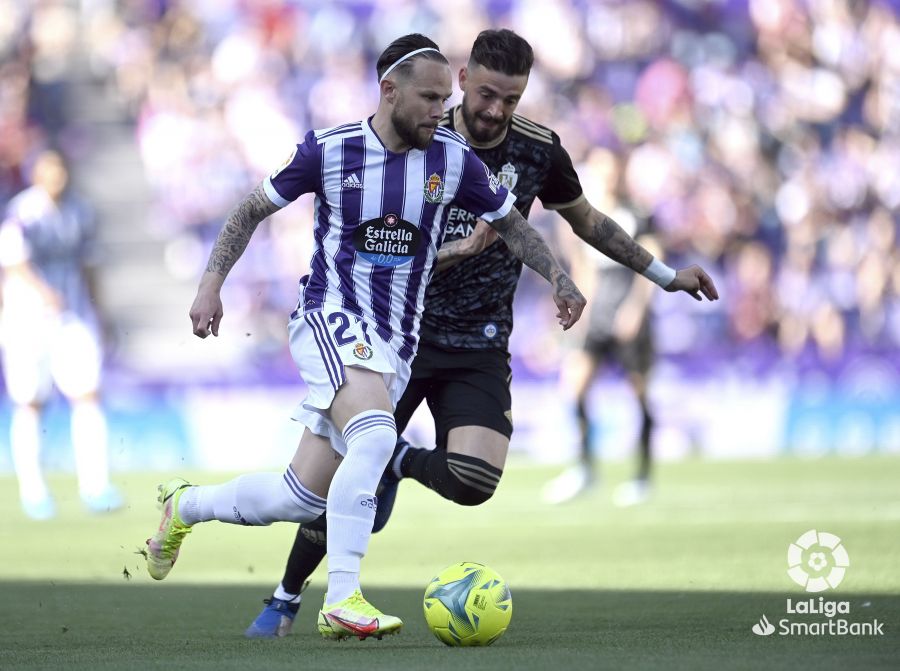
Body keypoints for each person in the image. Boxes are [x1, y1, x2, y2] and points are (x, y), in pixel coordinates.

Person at [244, 28, 719, 639]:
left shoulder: (538, 151)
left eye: (512, 99)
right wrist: (460, 250)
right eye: (488, 93)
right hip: (395, 336)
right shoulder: (415, 138)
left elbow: (588, 222)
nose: (497, 110)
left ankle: (398, 460)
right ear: (463, 81)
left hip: (479, 341)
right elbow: (376, 254)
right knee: (333, 480)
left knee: (474, 482)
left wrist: (664, 275)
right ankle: (285, 598)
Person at [143, 33, 586, 642]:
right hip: (331, 317)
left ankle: (184, 506)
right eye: (430, 98)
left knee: (298, 498)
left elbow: (513, 225)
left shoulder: (453, 161)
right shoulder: (330, 150)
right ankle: (343, 598)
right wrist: (210, 285)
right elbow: (249, 210)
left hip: (396, 341)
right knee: (377, 434)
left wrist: (558, 277)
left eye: (445, 98)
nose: (441, 110)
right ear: (389, 91)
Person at [0, 149, 123, 520]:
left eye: (61, 168)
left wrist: (99, 311)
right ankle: (33, 491)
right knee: (30, 402)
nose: (57, 176)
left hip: (73, 316)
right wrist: (43, 293)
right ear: (36, 173)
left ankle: (96, 485)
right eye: (49, 168)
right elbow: (14, 264)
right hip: (27, 320)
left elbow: (90, 266)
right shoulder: (22, 213)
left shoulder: (81, 212)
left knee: (87, 395)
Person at [542, 218, 663, 507]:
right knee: (575, 386)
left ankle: (642, 476)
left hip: (628, 317)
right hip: (597, 316)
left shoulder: (639, 215)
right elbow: (584, 269)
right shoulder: (589, 216)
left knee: (640, 395)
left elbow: (654, 259)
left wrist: (636, 308)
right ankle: (584, 467)